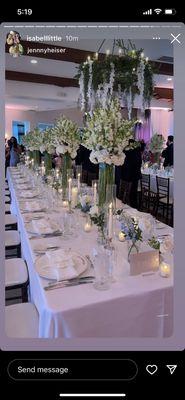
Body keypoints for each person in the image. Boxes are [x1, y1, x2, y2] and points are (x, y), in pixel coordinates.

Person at [121, 139, 142, 208]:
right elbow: (139, 163)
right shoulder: (137, 150)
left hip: (126, 174)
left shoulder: (124, 150)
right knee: (133, 192)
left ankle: (126, 204)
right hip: (134, 174)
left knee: (126, 191)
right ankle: (134, 206)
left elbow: (122, 163)